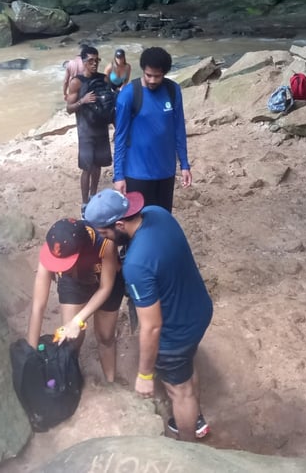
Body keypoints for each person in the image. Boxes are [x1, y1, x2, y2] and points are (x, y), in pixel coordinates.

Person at [84, 189, 213, 441]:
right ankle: (194, 417)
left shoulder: (136, 265)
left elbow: (151, 327)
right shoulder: (157, 213)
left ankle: (188, 447)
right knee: (185, 368)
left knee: (179, 390)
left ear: (119, 224)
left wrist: (145, 375)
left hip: (175, 332)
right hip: (198, 309)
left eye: (105, 233)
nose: (104, 240)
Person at [26, 218, 123, 381]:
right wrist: (30, 354)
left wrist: (77, 320)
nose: (56, 267)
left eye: (63, 264)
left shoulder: (104, 243)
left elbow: (105, 288)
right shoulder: (53, 248)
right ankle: (71, 377)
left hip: (105, 280)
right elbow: (38, 306)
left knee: (105, 336)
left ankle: (111, 383)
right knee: (71, 339)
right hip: (73, 281)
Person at [112, 46, 191, 212]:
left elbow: (179, 130)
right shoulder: (129, 94)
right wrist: (118, 176)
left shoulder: (173, 90)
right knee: (138, 223)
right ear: (142, 70)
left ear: (165, 73)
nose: (153, 80)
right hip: (137, 173)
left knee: (162, 218)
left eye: (157, 76)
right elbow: (120, 137)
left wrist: (184, 165)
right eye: (149, 75)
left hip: (166, 171)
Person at [65, 46, 112, 210]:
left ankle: (93, 194)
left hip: (101, 128)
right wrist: (82, 101)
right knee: (87, 167)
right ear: (83, 62)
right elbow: (69, 108)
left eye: (96, 60)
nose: (94, 64)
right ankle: (85, 202)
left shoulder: (104, 79)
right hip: (85, 131)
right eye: (90, 61)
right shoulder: (76, 82)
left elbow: (110, 102)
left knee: (98, 165)